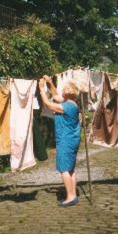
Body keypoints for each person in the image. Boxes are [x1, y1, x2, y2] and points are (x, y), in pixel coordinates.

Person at [38, 75, 81, 207]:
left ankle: (70, 197)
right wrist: (50, 84)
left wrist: (41, 89)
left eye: (63, 90)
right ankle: (73, 193)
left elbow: (49, 104)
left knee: (63, 168)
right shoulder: (72, 103)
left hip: (65, 140)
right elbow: (56, 95)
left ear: (67, 93)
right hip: (72, 139)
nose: (61, 91)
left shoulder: (66, 107)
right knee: (71, 168)